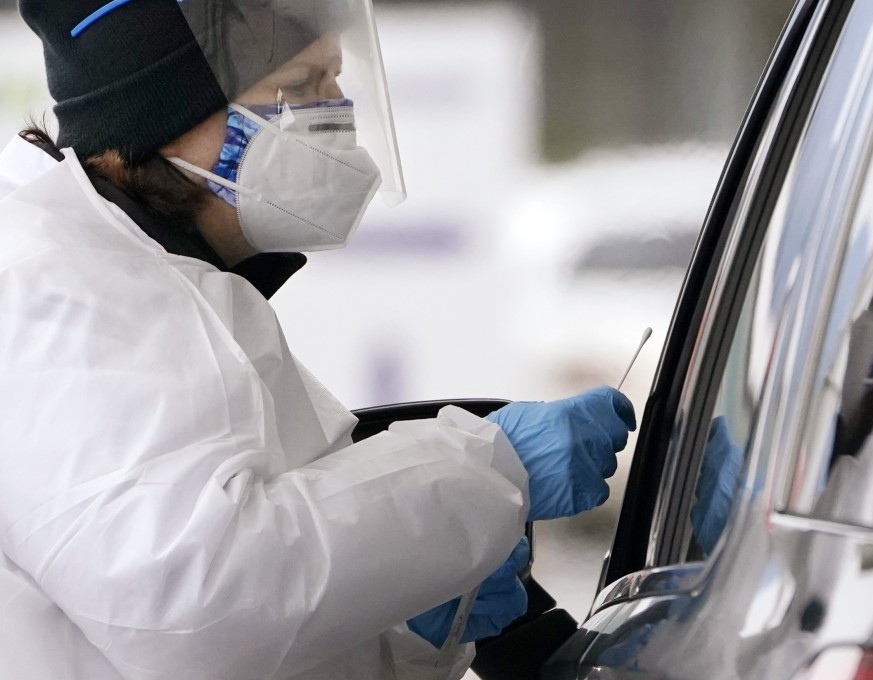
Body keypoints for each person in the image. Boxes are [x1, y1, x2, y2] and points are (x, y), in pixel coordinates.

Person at [0, 0, 636, 678]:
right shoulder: (58, 290)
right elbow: (194, 604)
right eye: (300, 87)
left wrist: (408, 624)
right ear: (163, 117)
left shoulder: (163, 283)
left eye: (334, 78)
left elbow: (260, 618)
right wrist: (490, 469)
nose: (334, 110)